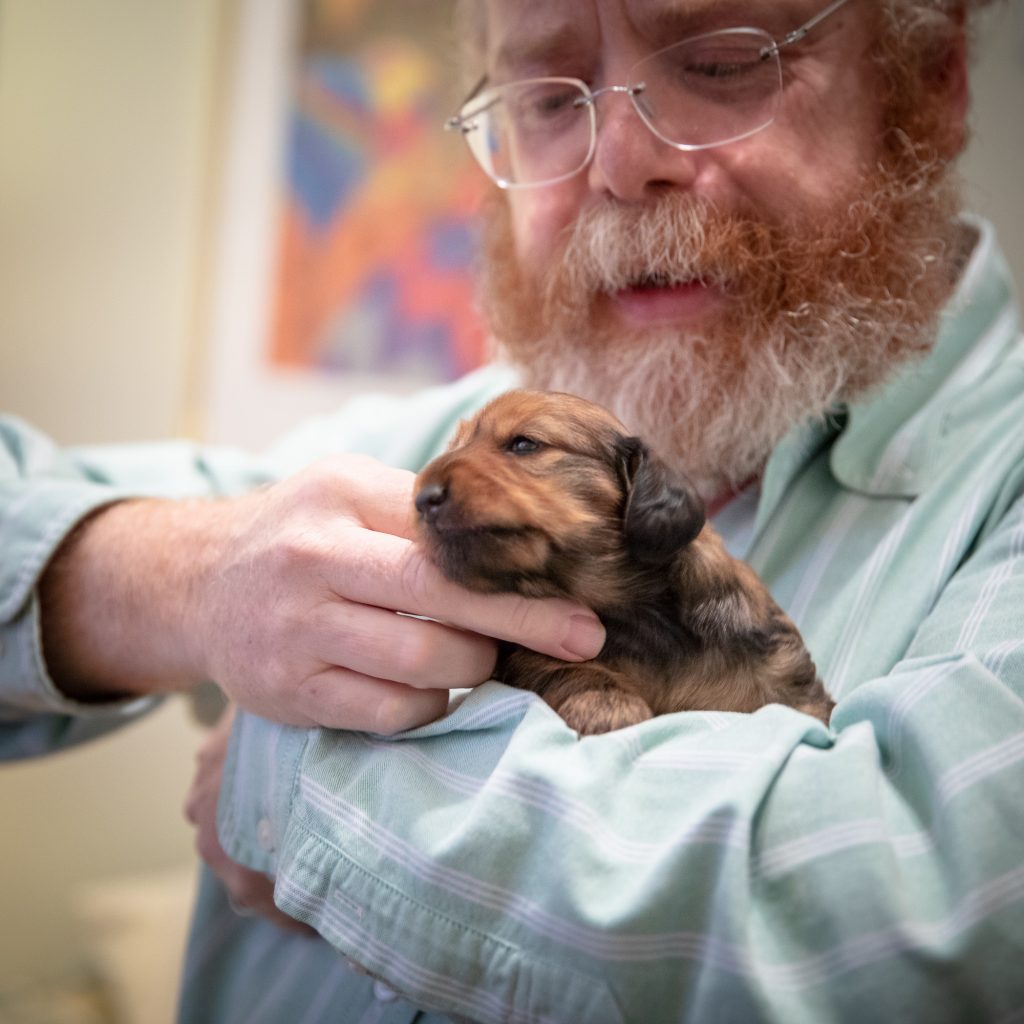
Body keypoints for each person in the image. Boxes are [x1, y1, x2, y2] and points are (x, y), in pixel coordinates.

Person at [1, 0, 1021, 1020]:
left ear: (926, 80)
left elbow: (910, 926)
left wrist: (295, 776)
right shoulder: (419, 459)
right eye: (546, 96)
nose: (619, 161)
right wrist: (192, 579)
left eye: (721, 62)